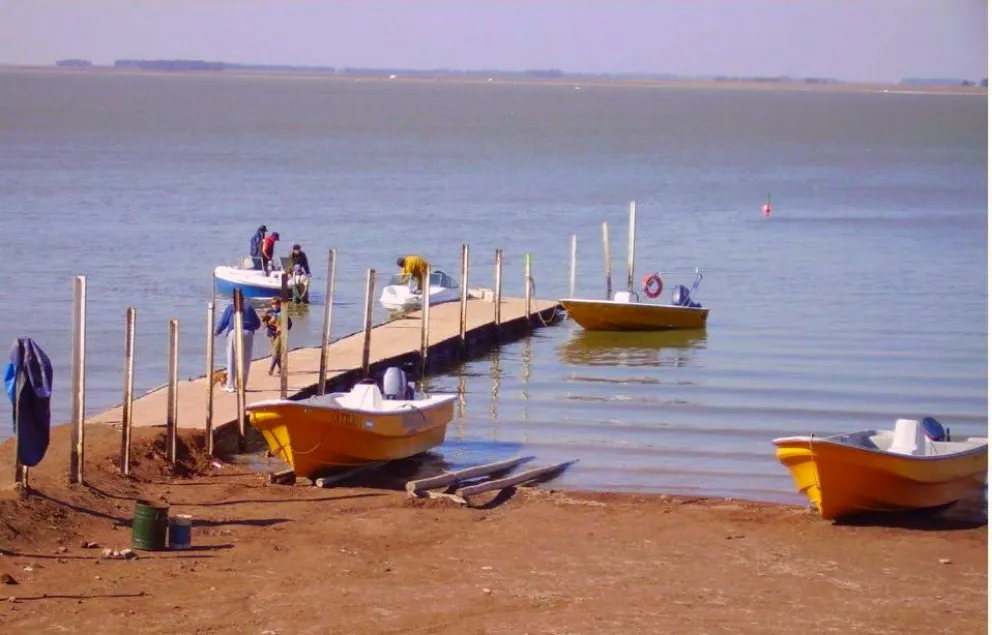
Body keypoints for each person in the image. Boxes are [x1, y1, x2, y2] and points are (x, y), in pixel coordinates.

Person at [213, 298, 262, 392]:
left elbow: (223, 322)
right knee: (246, 360)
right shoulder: (249, 308)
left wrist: (217, 331)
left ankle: (231, 386)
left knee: (231, 359)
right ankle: (242, 386)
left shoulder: (231, 307)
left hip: (234, 332)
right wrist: (250, 327)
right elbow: (257, 324)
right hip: (248, 333)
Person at [261, 298, 293, 376]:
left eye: (276, 304)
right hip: (272, 334)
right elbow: (264, 322)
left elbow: (289, 324)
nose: (275, 306)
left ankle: (271, 369)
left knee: (275, 352)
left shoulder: (283, 313)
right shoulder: (269, 312)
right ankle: (281, 368)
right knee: (276, 353)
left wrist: (282, 328)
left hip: (280, 335)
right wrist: (264, 318)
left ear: (279, 304)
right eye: (273, 304)